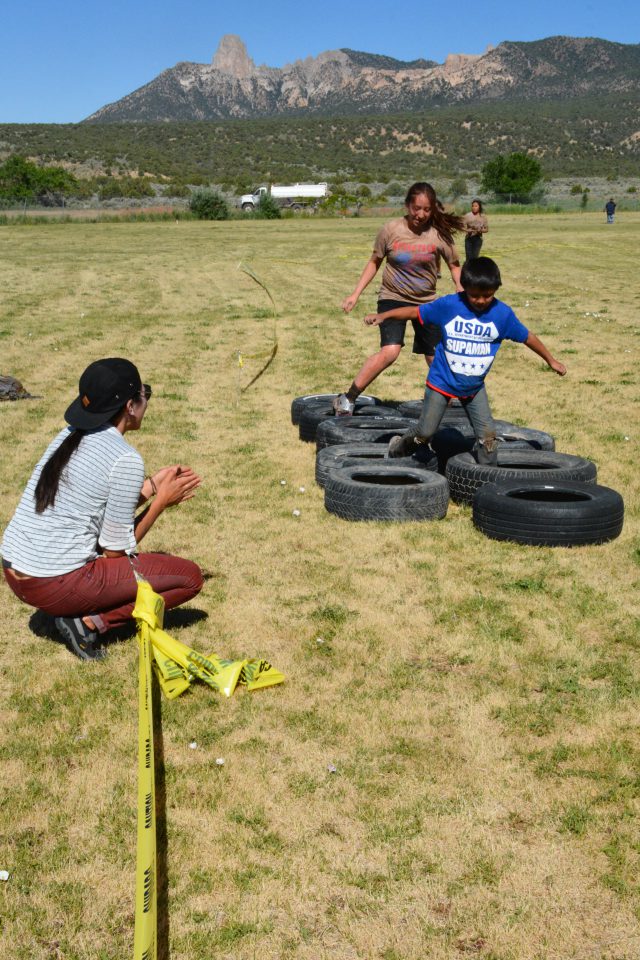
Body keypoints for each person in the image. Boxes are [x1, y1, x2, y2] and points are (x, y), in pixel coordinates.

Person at [1, 358, 204, 660]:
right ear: (130, 407)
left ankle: (73, 611)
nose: (146, 400)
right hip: (52, 584)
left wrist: (149, 488)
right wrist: (161, 502)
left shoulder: (69, 433)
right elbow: (116, 554)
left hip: (15, 572)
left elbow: (95, 509)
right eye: (144, 393)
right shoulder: (124, 458)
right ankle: (88, 623)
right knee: (190, 578)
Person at [362, 257, 567, 462]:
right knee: (424, 434)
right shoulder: (450, 305)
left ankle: (486, 480)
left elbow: (527, 337)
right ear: (465, 288)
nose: (480, 301)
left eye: (487, 296)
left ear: (496, 289)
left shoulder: (502, 315)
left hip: (474, 387)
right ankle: (398, 447)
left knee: (488, 438)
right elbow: (416, 312)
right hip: (441, 382)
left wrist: (551, 360)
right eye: (474, 295)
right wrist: (384, 316)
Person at [333, 182, 464, 415]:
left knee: (435, 356)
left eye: (426, 209)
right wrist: (355, 294)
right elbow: (374, 262)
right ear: (407, 205)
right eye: (416, 208)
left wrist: (460, 289)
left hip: (426, 302)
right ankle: (348, 398)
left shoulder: (439, 235)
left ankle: (448, 405)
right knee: (390, 352)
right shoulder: (391, 229)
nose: (420, 215)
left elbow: (454, 266)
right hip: (392, 298)